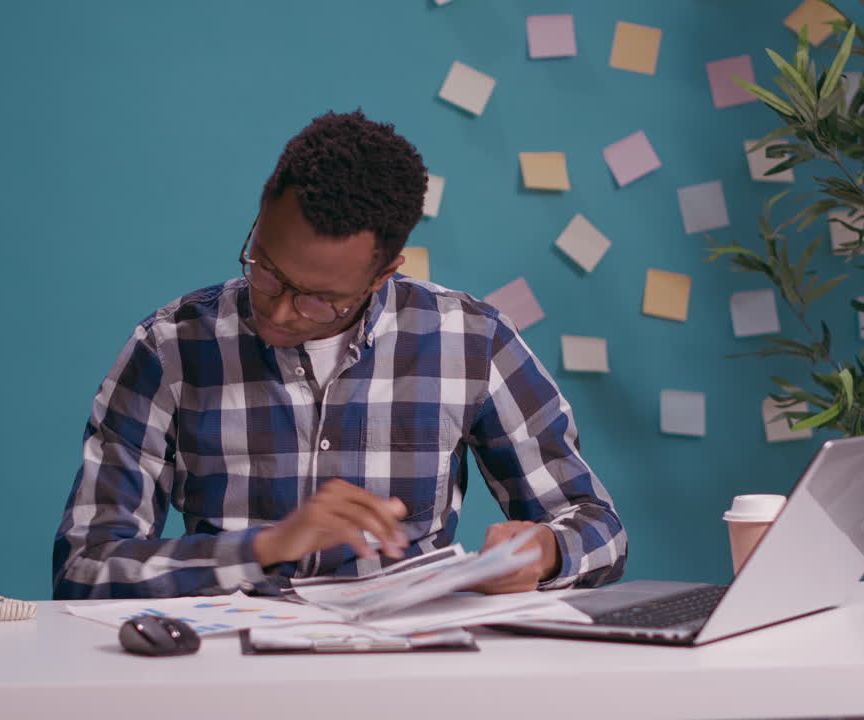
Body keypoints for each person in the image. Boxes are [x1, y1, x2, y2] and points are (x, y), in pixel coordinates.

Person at [52, 110, 626, 599]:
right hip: (226, 675)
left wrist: (548, 551)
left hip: (408, 671)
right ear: (258, 221)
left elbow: (598, 527)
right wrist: (269, 546)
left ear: (383, 276)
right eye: (266, 271)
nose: (277, 312)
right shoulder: (170, 347)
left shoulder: (471, 341)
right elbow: (85, 567)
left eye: (317, 300)